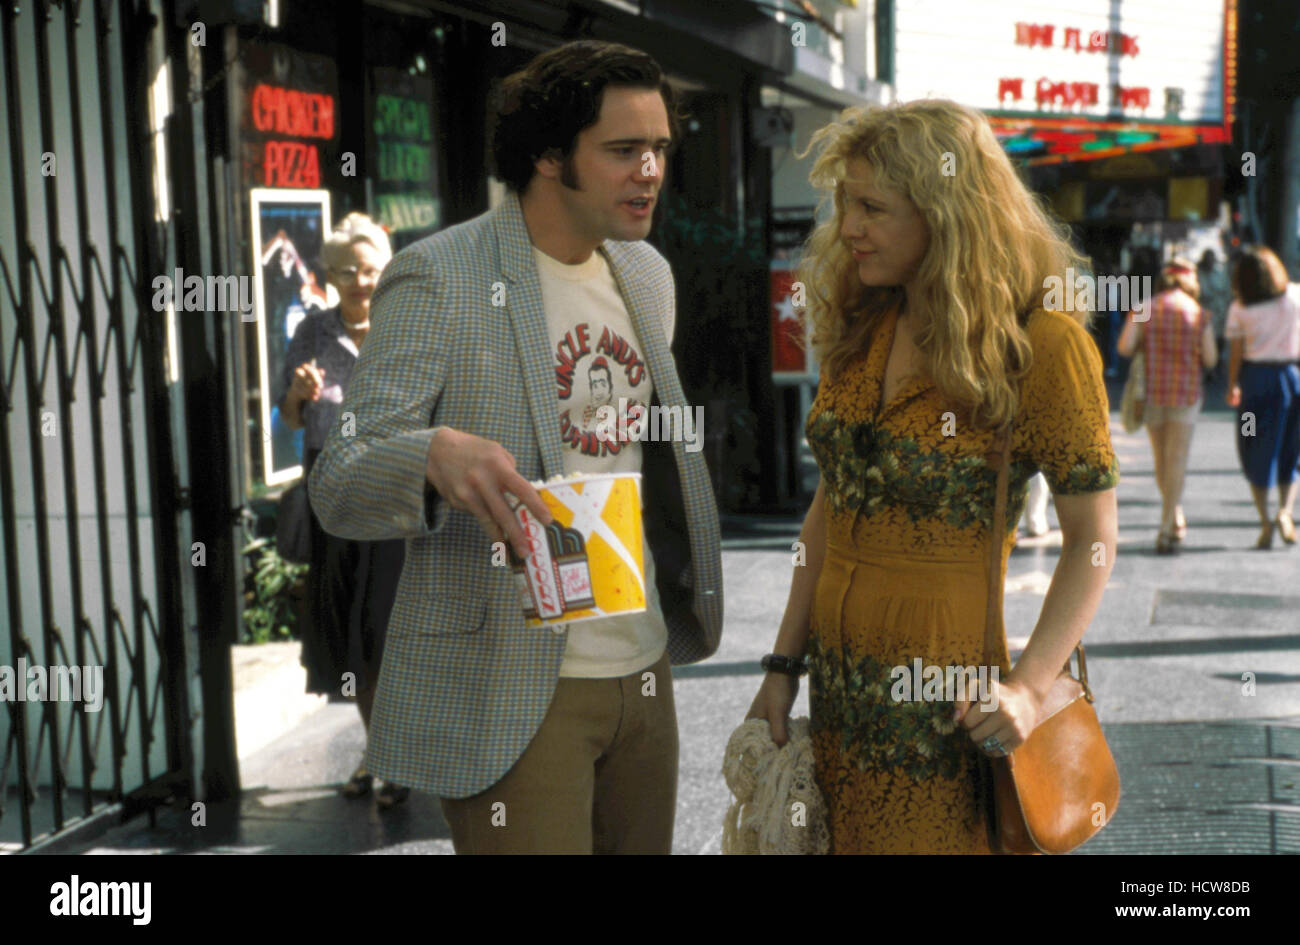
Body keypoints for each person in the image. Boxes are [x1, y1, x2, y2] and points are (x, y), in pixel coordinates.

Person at [308, 40, 722, 854]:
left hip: (644, 670)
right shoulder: (441, 276)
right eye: (623, 149)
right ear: (547, 154)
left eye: (660, 149)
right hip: (514, 680)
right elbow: (339, 479)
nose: (649, 170)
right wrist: (431, 454)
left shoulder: (648, 276)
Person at [744, 99, 1119, 854]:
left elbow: (1091, 539)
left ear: (947, 211)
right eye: (846, 202)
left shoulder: (1041, 347)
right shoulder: (862, 324)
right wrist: (782, 667)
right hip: (841, 704)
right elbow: (829, 509)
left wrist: (1029, 684)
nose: (848, 226)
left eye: (873, 206)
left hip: (948, 712)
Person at [275, 212, 409, 808]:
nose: (360, 279)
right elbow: (290, 419)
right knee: (353, 640)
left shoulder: (405, 328)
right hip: (332, 499)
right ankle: (378, 752)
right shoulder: (310, 332)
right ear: (329, 274)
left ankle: (393, 757)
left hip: (393, 496)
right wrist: (297, 397)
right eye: (349, 269)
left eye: (371, 268)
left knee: (388, 634)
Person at [1117, 258, 1217, 553]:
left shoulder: (1145, 306)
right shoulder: (1199, 313)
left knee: (1161, 459)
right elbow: (1210, 359)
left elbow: (1124, 347)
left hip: (1151, 391)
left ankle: (1173, 517)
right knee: (1177, 459)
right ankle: (1166, 523)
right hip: (1185, 394)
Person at [1224, 245, 1300, 548]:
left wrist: (1232, 385)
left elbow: (1236, 354)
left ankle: (1265, 521)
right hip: (1293, 382)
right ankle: (1286, 511)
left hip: (1255, 386)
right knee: (1291, 449)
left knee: (1251, 443)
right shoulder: (1295, 297)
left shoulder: (1240, 308)